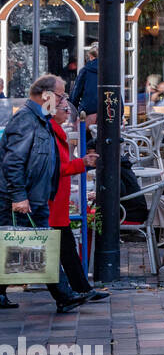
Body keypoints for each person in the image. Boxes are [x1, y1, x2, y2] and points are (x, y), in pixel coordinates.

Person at [0, 75, 89, 313]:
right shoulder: (26, 120)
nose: (63, 102)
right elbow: (13, 162)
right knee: (35, 246)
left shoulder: (39, 120)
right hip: (24, 197)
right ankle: (64, 296)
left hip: (35, 196)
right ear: (45, 95)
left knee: (28, 245)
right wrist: (19, 196)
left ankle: (64, 296)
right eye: (61, 96)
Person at [48, 92, 109, 304]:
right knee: (54, 249)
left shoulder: (54, 131)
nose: (68, 113)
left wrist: (81, 162)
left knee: (63, 248)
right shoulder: (50, 132)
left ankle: (80, 290)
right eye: (64, 109)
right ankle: (73, 293)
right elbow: (56, 168)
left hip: (56, 200)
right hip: (51, 200)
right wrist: (81, 163)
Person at [70, 43, 99, 121]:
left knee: (85, 132)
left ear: (90, 57)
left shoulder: (85, 71)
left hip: (88, 111)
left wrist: (73, 111)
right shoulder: (110, 71)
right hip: (108, 111)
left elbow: (76, 93)